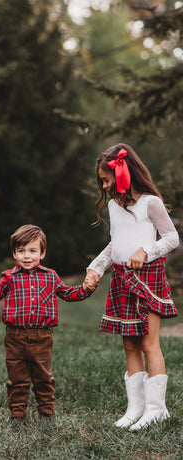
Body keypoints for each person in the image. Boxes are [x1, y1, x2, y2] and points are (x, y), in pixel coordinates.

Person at [84, 143, 179, 431]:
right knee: (129, 343)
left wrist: (145, 251)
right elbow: (116, 245)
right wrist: (95, 267)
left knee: (149, 343)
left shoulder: (151, 202)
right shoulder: (114, 206)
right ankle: (135, 408)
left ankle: (156, 409)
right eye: (102, 180)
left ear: (123, 173)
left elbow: (172, 238)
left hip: (148, 277)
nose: (104, 185)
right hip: (122, 279)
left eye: (106, 178)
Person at [0, 224, 95, 424]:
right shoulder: (9, 278)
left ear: (42, 253)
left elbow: (68, 294)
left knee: (43, 377)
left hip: (41, 336)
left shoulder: (50, 276)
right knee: (17, 378)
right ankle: (17, 415)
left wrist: (86, 289)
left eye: (32, 251)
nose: (27, 256)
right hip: (14, 337)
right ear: (14, 254)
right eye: (21, 251)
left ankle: (46, 413)